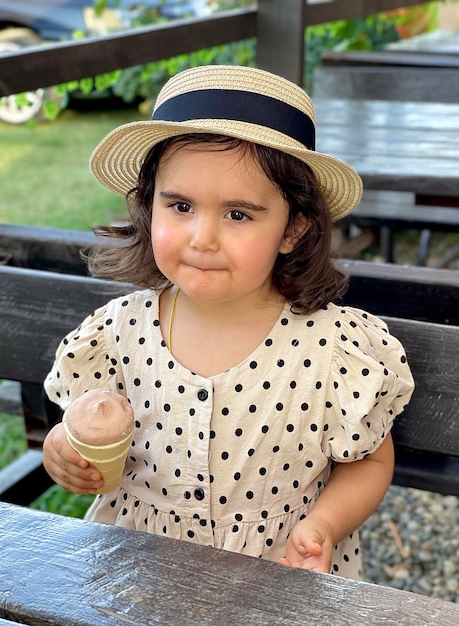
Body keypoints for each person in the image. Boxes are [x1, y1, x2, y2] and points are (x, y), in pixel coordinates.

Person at [42, 64, 414, 579]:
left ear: (293, 228)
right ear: (150, 208)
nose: (202, 237)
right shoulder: (117, 333)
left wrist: (325, 524)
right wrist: (64, 452)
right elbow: (93, 443)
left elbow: (369, 461)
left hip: (277, 582)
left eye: (238, 214)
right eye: (181, 205)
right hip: (140, 580)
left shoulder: (333, 349)